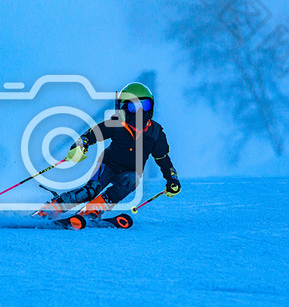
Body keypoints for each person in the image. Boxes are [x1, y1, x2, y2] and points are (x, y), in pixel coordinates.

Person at [35, 82, 181, 220]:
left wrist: (171, 178)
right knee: (90, 191)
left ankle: (92, 210)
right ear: (124, 109)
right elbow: (91, 134)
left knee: (132, 180)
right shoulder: (117, 124)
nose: (140, 111)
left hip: (129, 172)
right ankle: (51, 209)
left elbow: (162, 158)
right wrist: (80, 146)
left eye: (145, 105)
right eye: (133, 107)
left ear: (152, 106)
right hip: (108, 166)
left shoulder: (155, 133)